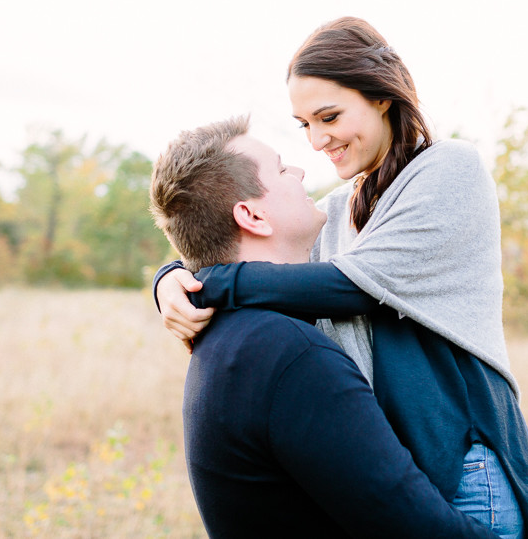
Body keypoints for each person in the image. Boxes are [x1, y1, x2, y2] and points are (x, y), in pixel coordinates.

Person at [155, 18, 528, 539]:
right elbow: (255, 248)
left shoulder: (448, 171)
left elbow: (353, 288)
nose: (318, 140)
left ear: (382, 97)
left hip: (463, 467)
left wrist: (211, 284)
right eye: (304, 124)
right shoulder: (337, 212)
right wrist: (171, 280)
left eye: (329, 116)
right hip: (404, 473)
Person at [148, 115, 497, 538]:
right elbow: (415, 526)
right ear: (252, 215)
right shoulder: (289, 354)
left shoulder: (232, 336)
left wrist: (179, 278)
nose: (299, 169)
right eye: (280, 169)